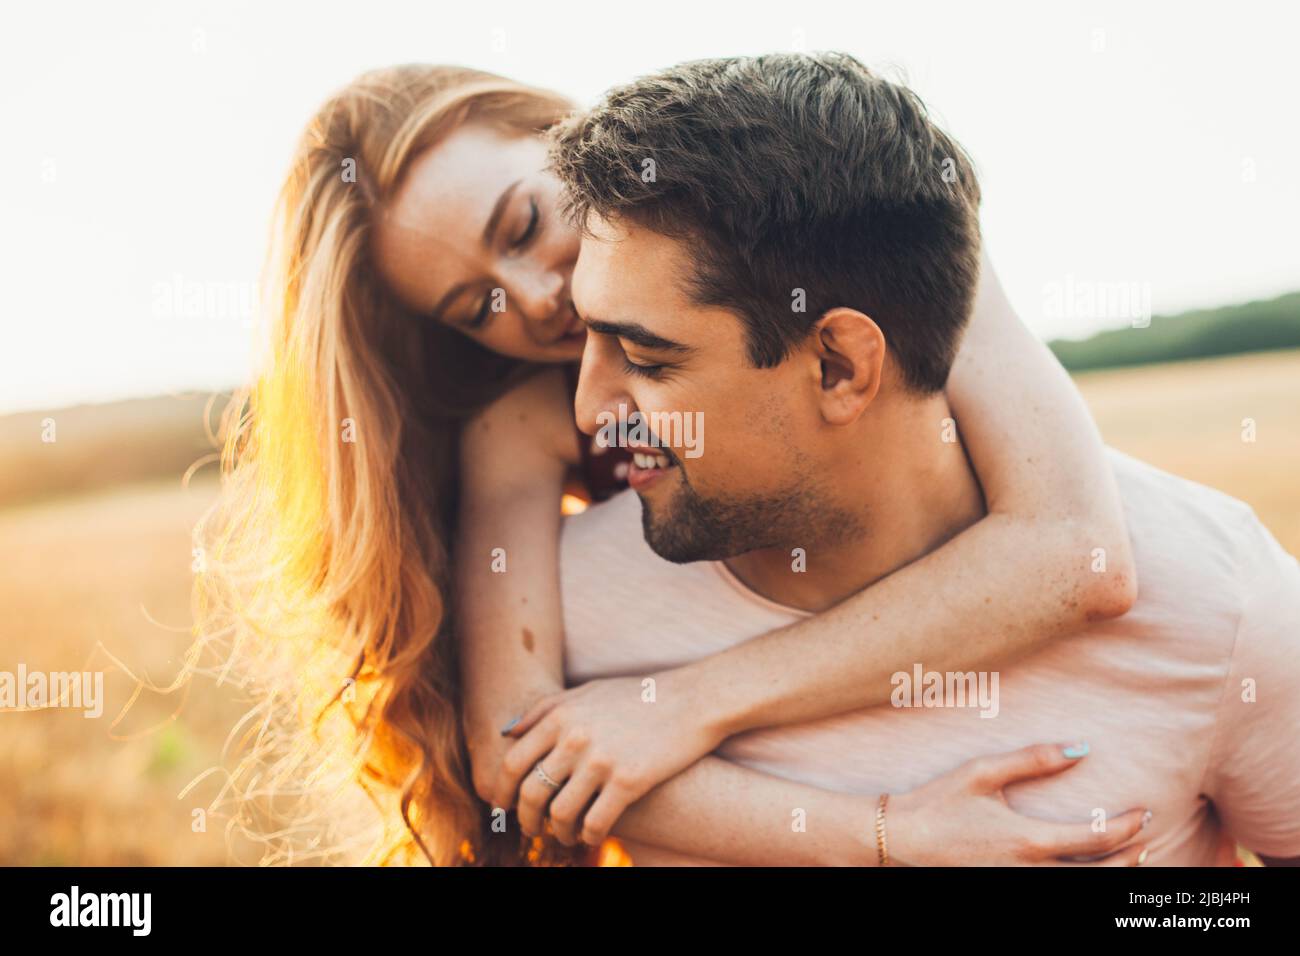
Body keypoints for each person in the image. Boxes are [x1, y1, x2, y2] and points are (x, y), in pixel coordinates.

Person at [196, 61, 1145, 866]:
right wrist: (885, 836)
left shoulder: (834, 225)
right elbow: (514, 752)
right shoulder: (524, 419)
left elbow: (1076, 552)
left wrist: (689, 705)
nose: (536, 298)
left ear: (559, 134)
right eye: (475, 306)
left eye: (525, 225)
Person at [512, 51, 1300, 866]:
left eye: (646, 359)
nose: (588, 412)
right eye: (589, 339)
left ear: (840, 367)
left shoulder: (1219, 596)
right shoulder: (567, 616)